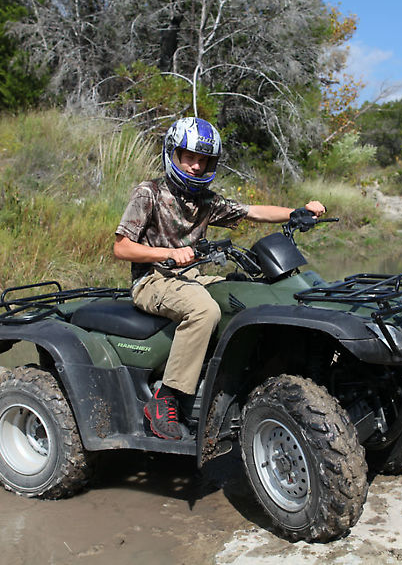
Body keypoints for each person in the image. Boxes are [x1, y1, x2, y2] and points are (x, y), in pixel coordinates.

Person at [114, 117, 326, 440]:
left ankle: (233, 379)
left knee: (243, 294)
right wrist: (165, 255)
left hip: (190, 276)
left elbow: (251, 211)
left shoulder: (205, 201)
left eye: (204, 160)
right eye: (190, 158)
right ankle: (166, 398)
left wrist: (296, 213)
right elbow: (121, 247)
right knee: (204, 310)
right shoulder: (150, 193)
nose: (197, 166)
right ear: (173, 154)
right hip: (152, 280)